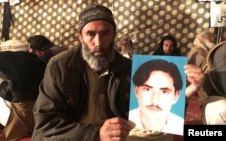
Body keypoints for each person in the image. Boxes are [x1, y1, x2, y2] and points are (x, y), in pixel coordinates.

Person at [32, 4, 205, 141]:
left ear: (114, 35)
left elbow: (152, 113)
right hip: (74, 136)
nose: (98, 42)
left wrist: (188, 92)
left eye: (105, 33)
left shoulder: (127, 67)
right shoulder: (60, 66)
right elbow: (46, 123)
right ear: (80, 37)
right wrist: (95, 134)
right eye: (90, 34)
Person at [0, 37, 46, 140]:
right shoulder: (37, 60)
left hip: (22, 112)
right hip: (46, 111)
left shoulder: (1, 59)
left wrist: (4, 91)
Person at [129, 59, 184, 136]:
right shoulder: (124, 122)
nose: (155, 101)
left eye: (164, 92)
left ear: (176, 96)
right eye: (147, 89)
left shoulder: (181, 126)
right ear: (136, 91)